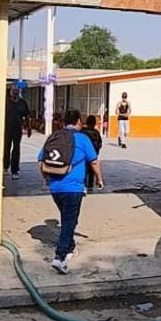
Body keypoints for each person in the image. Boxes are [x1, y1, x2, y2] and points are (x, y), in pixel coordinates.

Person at [38, 109, 104, 274]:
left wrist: (46, 178)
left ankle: (70, 246)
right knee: (69, 221)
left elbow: (41, 160)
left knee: (67, 218)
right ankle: (60, 257)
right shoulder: (82, 139)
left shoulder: (54, 137)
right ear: (78, 122)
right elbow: (94, 162)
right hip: (74, 188)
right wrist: (99, 180)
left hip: (55, 188)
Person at [3, 85, 31, 180]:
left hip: (17, 130)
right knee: (6, 147)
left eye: (16, 90)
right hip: (6, 129)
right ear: (10, 91)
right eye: (13, 90)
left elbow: (27, 116)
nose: (15, 92)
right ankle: (5, 166)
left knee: (16, 149)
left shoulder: (22, 103)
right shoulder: (5, 102)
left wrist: (29, 128)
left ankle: (15, 170)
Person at [81, 115, 104, 191]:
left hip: (83, 155)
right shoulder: (96, 132)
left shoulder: (82, 131)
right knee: (91, 172)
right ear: (94, 123)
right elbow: (100, 143)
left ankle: (83, 186)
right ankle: (90, 187)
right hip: (93, 155)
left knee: (83, 170)